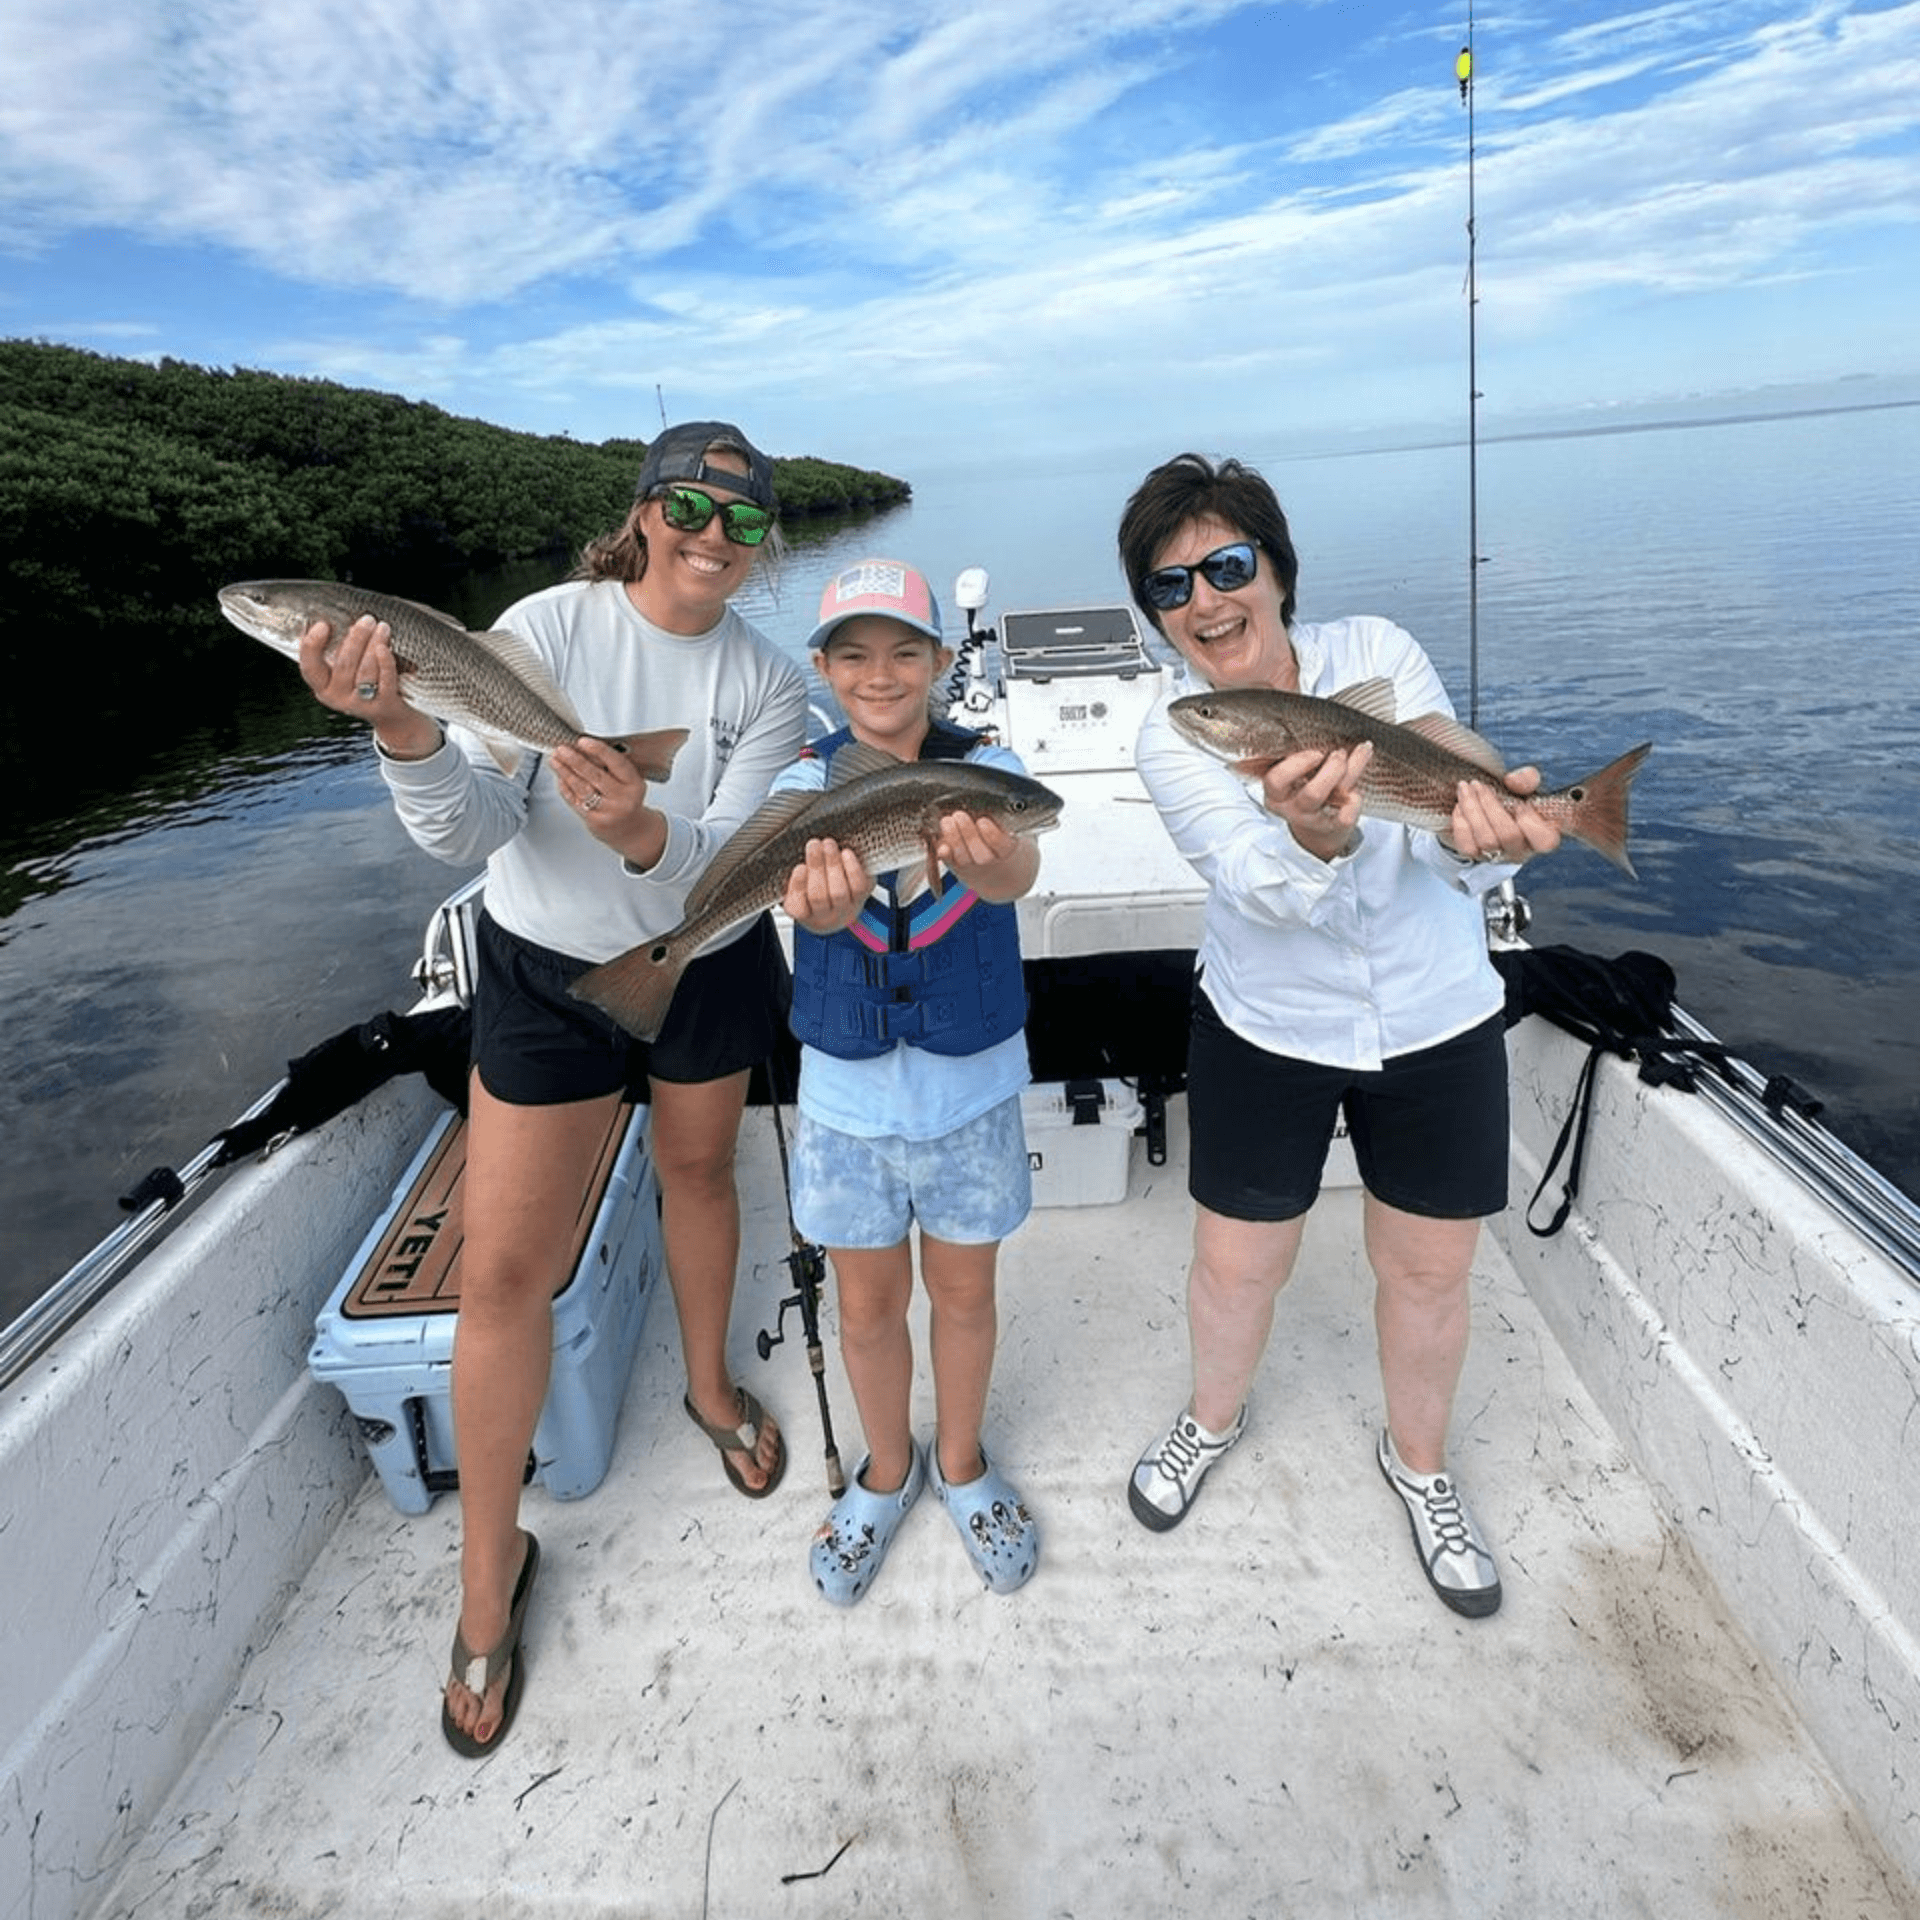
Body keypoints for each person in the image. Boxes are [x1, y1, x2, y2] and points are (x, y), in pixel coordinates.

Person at [297, 422, 808, 1751]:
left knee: (698, 1169)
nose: (711, 536)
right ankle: (487, 1576)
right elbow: (467, 832)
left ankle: (707, 1386)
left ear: (765, 547)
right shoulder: (545, 632)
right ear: (642, 513)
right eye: (688, 507)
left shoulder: (768, 683)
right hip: (542, 975)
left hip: (704, 961)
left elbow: (735, 862)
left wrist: (642, 830)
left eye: (743, 522)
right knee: (504, 1268)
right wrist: (402, 723)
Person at [1117, 452, 1562, 1618]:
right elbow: (1247, 876)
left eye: (1226, 565)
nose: (1207, 602)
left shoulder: (1380, 653)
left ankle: (1419, 1466)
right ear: (1156, 616)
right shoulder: (1182, 731)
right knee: (1235, 1260)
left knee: (1427, 1269)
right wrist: (1313, 836)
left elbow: (1445, 788)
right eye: (1172, 587)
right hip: (1269, 1022)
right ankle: (1213, 1418)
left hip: (1434, 1012)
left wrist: (1491, 826)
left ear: (1276, 566)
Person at [772, 558, 1042, 1605]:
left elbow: (1018, 873)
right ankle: (888, 1470)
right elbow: (805, 909)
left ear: (938, 659)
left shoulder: (990, 763)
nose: (880, 675)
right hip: (845, 1102)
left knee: (966, 1292)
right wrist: (820, 909)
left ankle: (962, 1461)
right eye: (855, 654)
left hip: (971, 1088)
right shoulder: (806, 783)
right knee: (867, 1303)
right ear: (825, 668)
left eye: (903, 653)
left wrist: (988, 859)